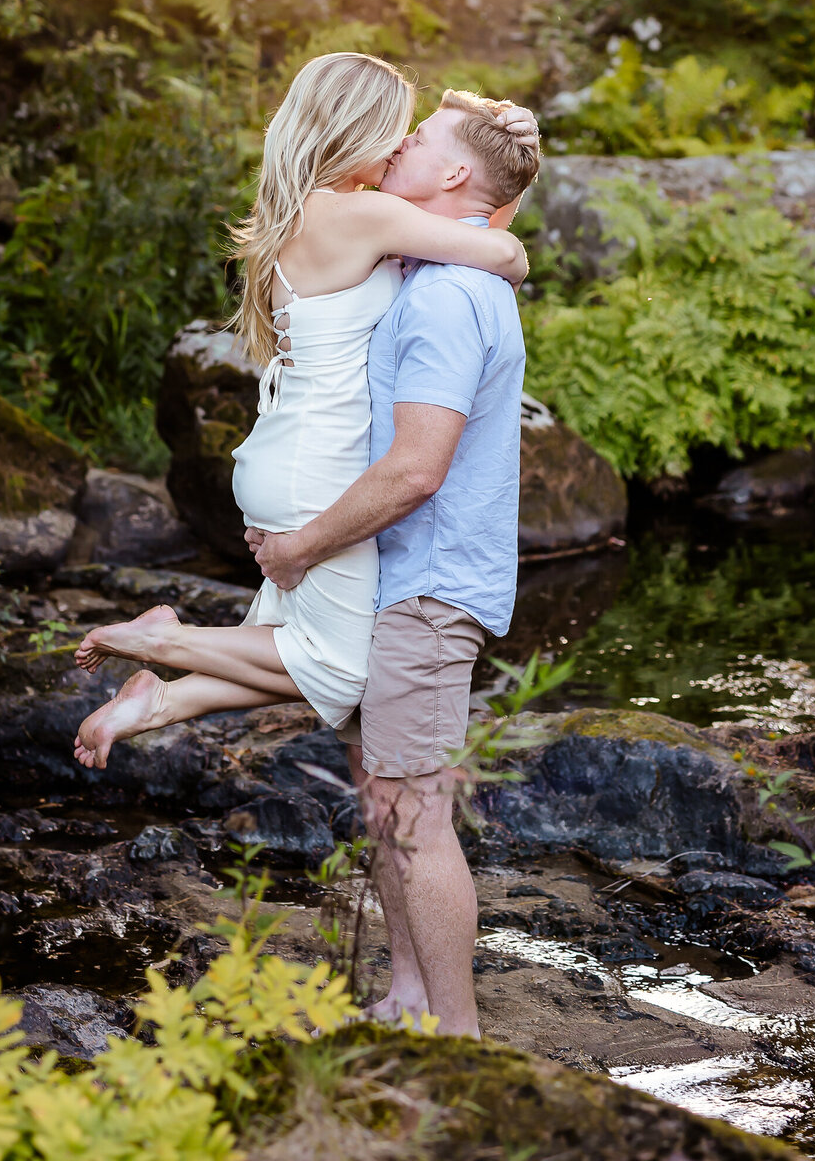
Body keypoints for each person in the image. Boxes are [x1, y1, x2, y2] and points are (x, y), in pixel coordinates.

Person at [70, 52, 536, 769]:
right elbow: (499, 249)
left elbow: (467, 204)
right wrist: (504, 207)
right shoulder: (368, 215)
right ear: (359, 128)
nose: (400, 144)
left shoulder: (304, 212)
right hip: (318, 466)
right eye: (397, 131)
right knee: (344, 672)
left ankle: (158, 700)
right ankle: (161, 640)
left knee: (298, 648)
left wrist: (497, 155)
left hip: (286, 456)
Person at [249, 92, 539, 1038]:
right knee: (386, 797)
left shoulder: (450, 297)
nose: (399, 143)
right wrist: (502, 157)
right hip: (397, 576)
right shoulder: (431, 258)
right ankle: (410, 996)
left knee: (417, 812)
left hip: (423, 583)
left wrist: (300, 546)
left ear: (453, 176)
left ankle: (457, 1037)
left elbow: (417, 470)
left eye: (419, 139)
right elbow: (489, 215)